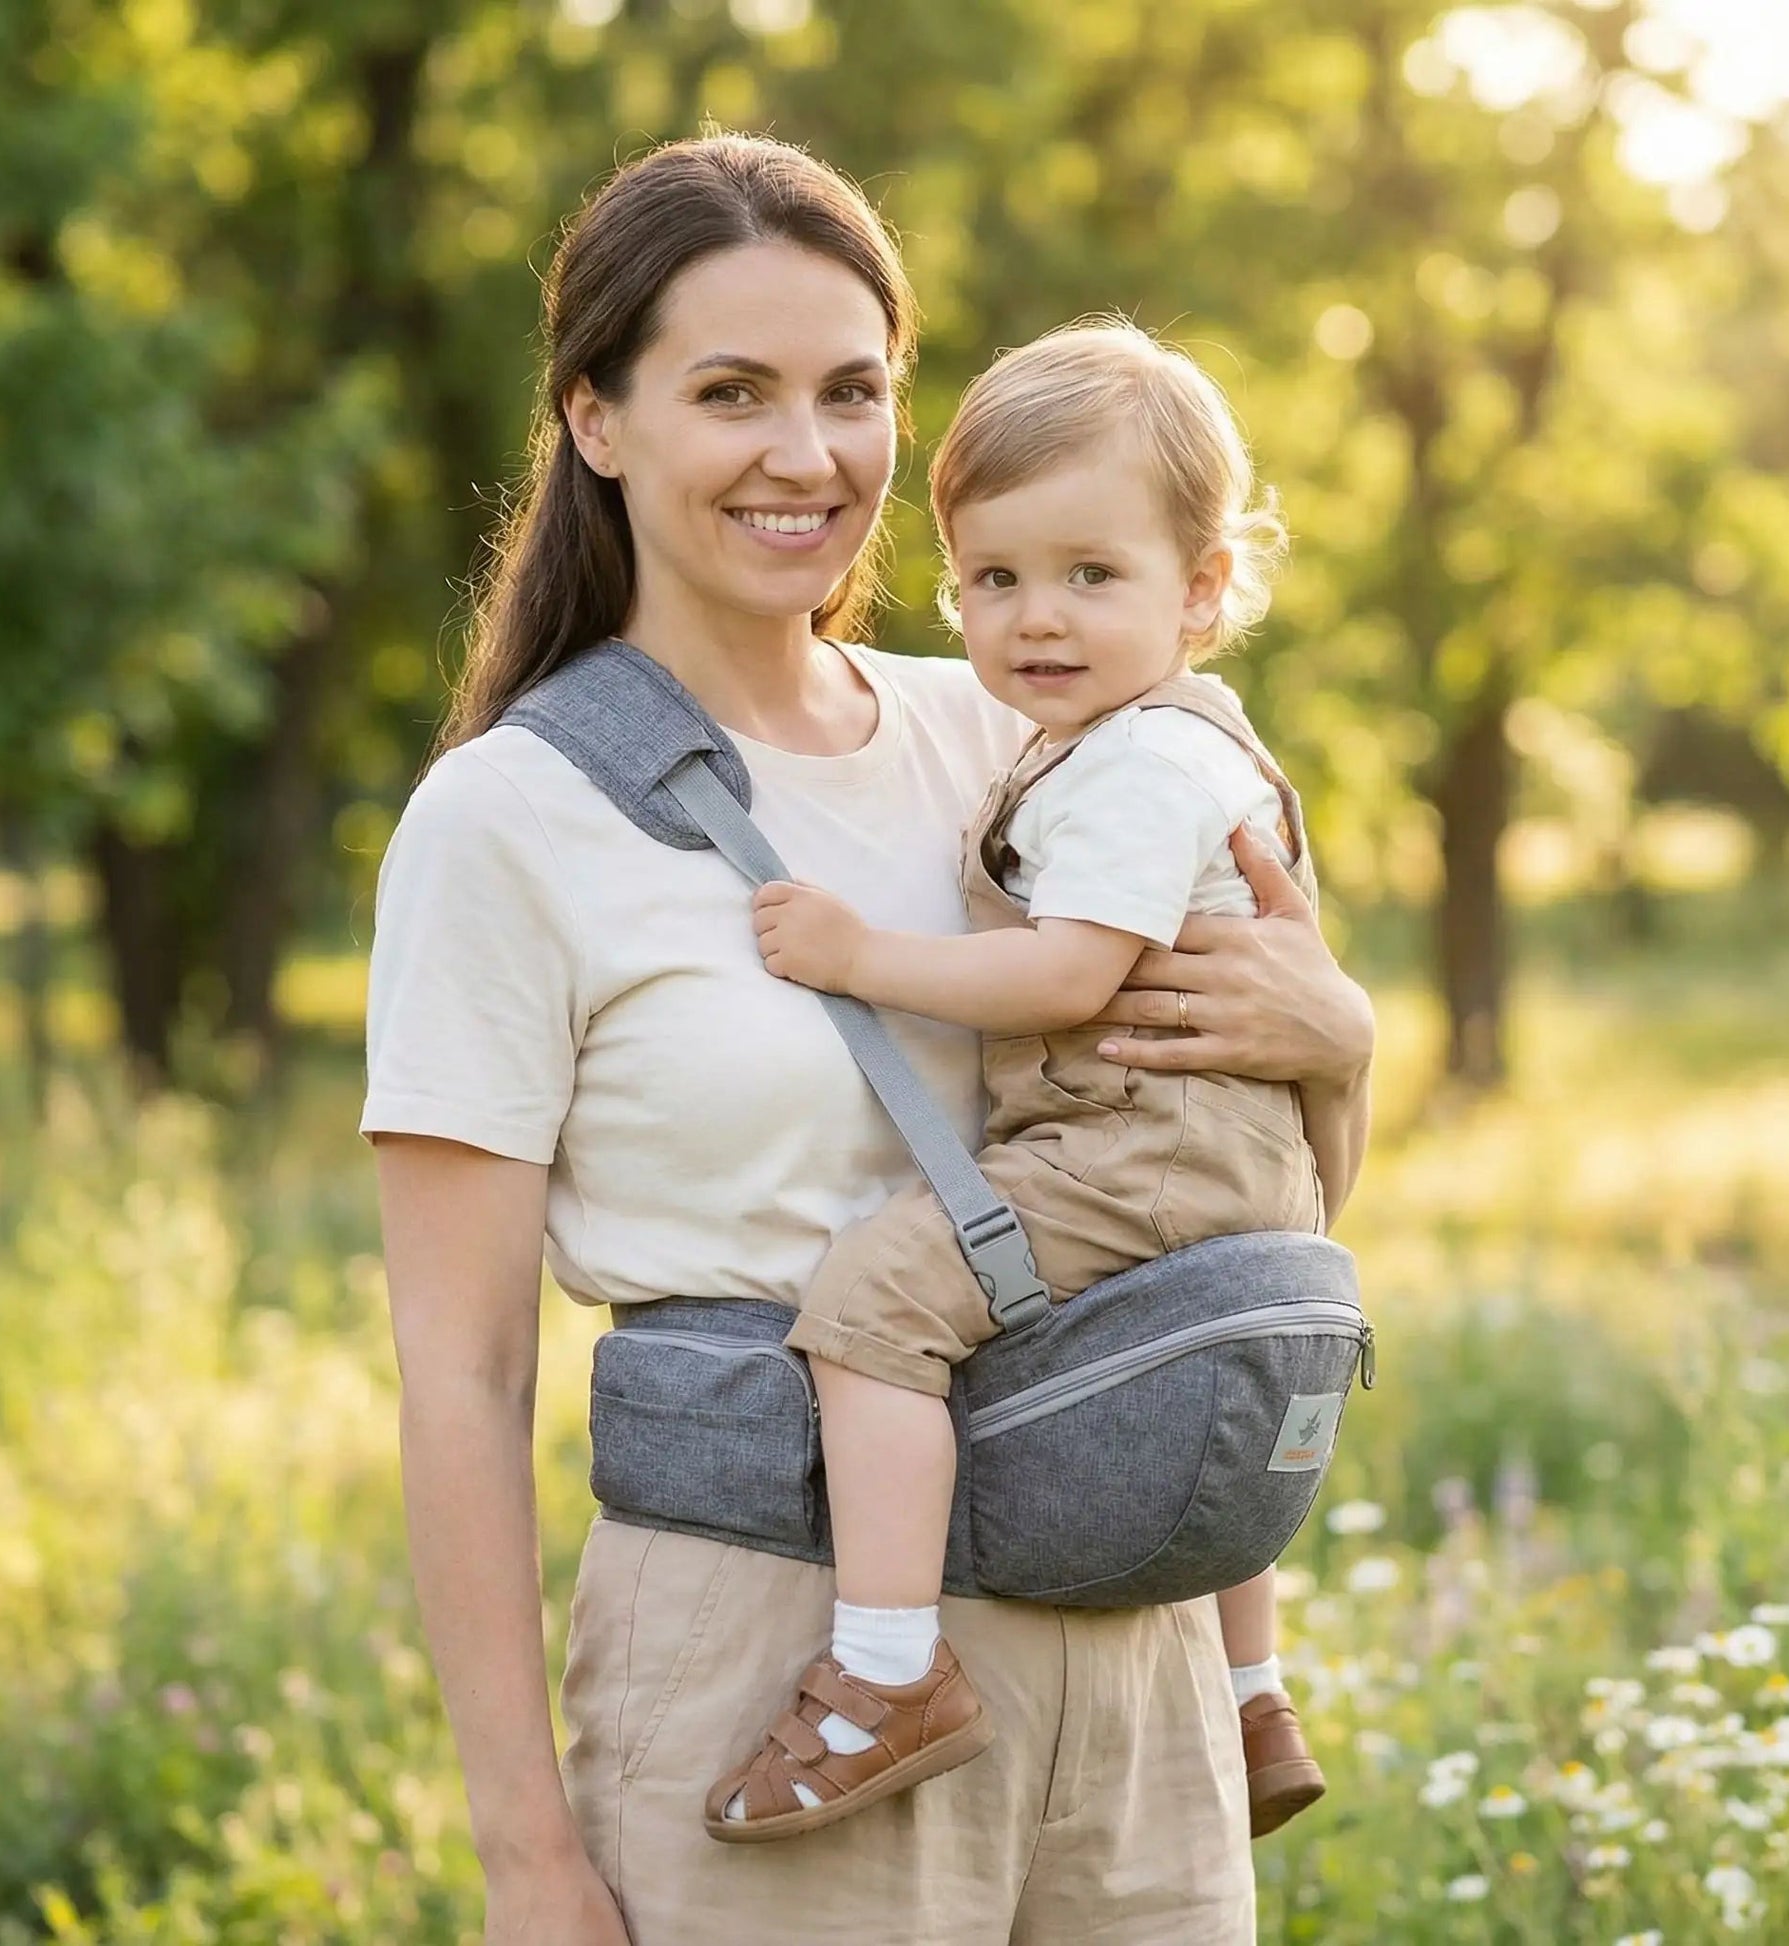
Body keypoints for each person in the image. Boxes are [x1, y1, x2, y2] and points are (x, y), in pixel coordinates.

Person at [361, 133, 1373, 1946]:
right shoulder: (508, 818)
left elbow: (1218, 1153)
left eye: (852, 391)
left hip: (1124, 1637)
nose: (805, 454)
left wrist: (1344, 1027)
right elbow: (460, 1376)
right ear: (595, 416)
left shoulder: (1018, 727)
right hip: (776, 1645)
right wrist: (526, 1850)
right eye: (728, 391)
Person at [710, 318, 1330, 1848]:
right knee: (1200, 1366)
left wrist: (860, 953)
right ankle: (1250, 1692)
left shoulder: (1129, 765)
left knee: (872, 1308)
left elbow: (1067, 976)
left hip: (1135, 1142)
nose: (1032, 620)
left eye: (1089, 575)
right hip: (1228, 1161)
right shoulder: (1169, 738)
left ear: (1200, 588)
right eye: (993, 578)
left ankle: (883, 1670)